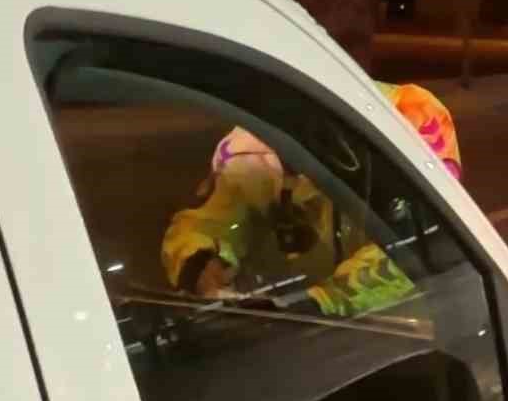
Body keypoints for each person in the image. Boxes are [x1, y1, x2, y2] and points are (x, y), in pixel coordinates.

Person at [161, 125, 417, 318]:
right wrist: (203, 268)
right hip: (296, 341)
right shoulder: (249, 153)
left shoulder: (403, 122)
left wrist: (317, 302)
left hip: (400, 333)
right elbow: (203, 223)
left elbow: (409, 252)